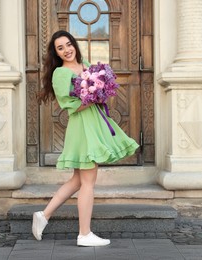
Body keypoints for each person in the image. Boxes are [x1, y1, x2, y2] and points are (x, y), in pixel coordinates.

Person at [34, 30, 139, 247]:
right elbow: (69, 105)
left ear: (74, 44)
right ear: (55, 53)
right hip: (82, 125)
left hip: (94, 122)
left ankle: (43, 215)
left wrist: (102, 90)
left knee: (78, 181)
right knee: (88, 182)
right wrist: (93, 96)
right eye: (60, 48)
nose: (66, 50)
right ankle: (84, 234)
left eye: (68, 44)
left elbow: (98, 88)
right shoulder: (60, 74)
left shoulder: (86, 64)